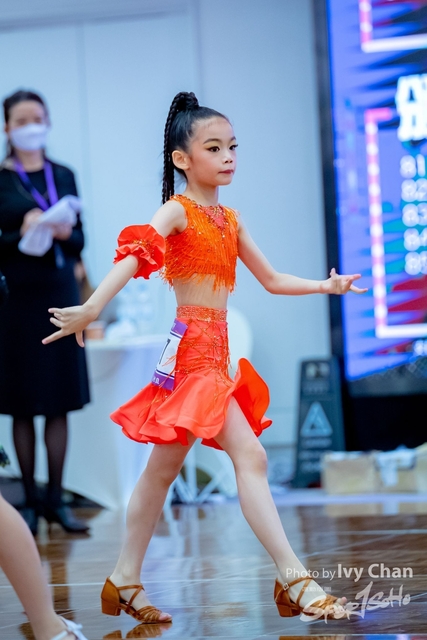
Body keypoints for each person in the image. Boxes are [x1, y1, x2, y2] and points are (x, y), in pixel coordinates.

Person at [42, 92, 367, 622]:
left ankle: (124, 579)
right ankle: (295, 580)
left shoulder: (230, 219)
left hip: (215, 357)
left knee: (161, 473)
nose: (228, 157)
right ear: (182, 158)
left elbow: (272, 279)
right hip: (191, 357)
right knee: (251, 457)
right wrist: (93, 307)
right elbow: (135, 256)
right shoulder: (177, 210)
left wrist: (325, 286)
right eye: (214, 148)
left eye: (232, 147)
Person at [0, 90, 90, 535]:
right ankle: (31, 505)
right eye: (21, 119)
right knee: (22, 405)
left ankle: (57, 501)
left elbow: (80, 241)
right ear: (7, 128)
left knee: (59, 400)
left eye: (37, 117)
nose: (31, 125)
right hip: (16, 299)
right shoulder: (1, 180)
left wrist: (61, 230)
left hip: (60, 294)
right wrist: (22, 229)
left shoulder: (63, 174)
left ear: (47, 121)